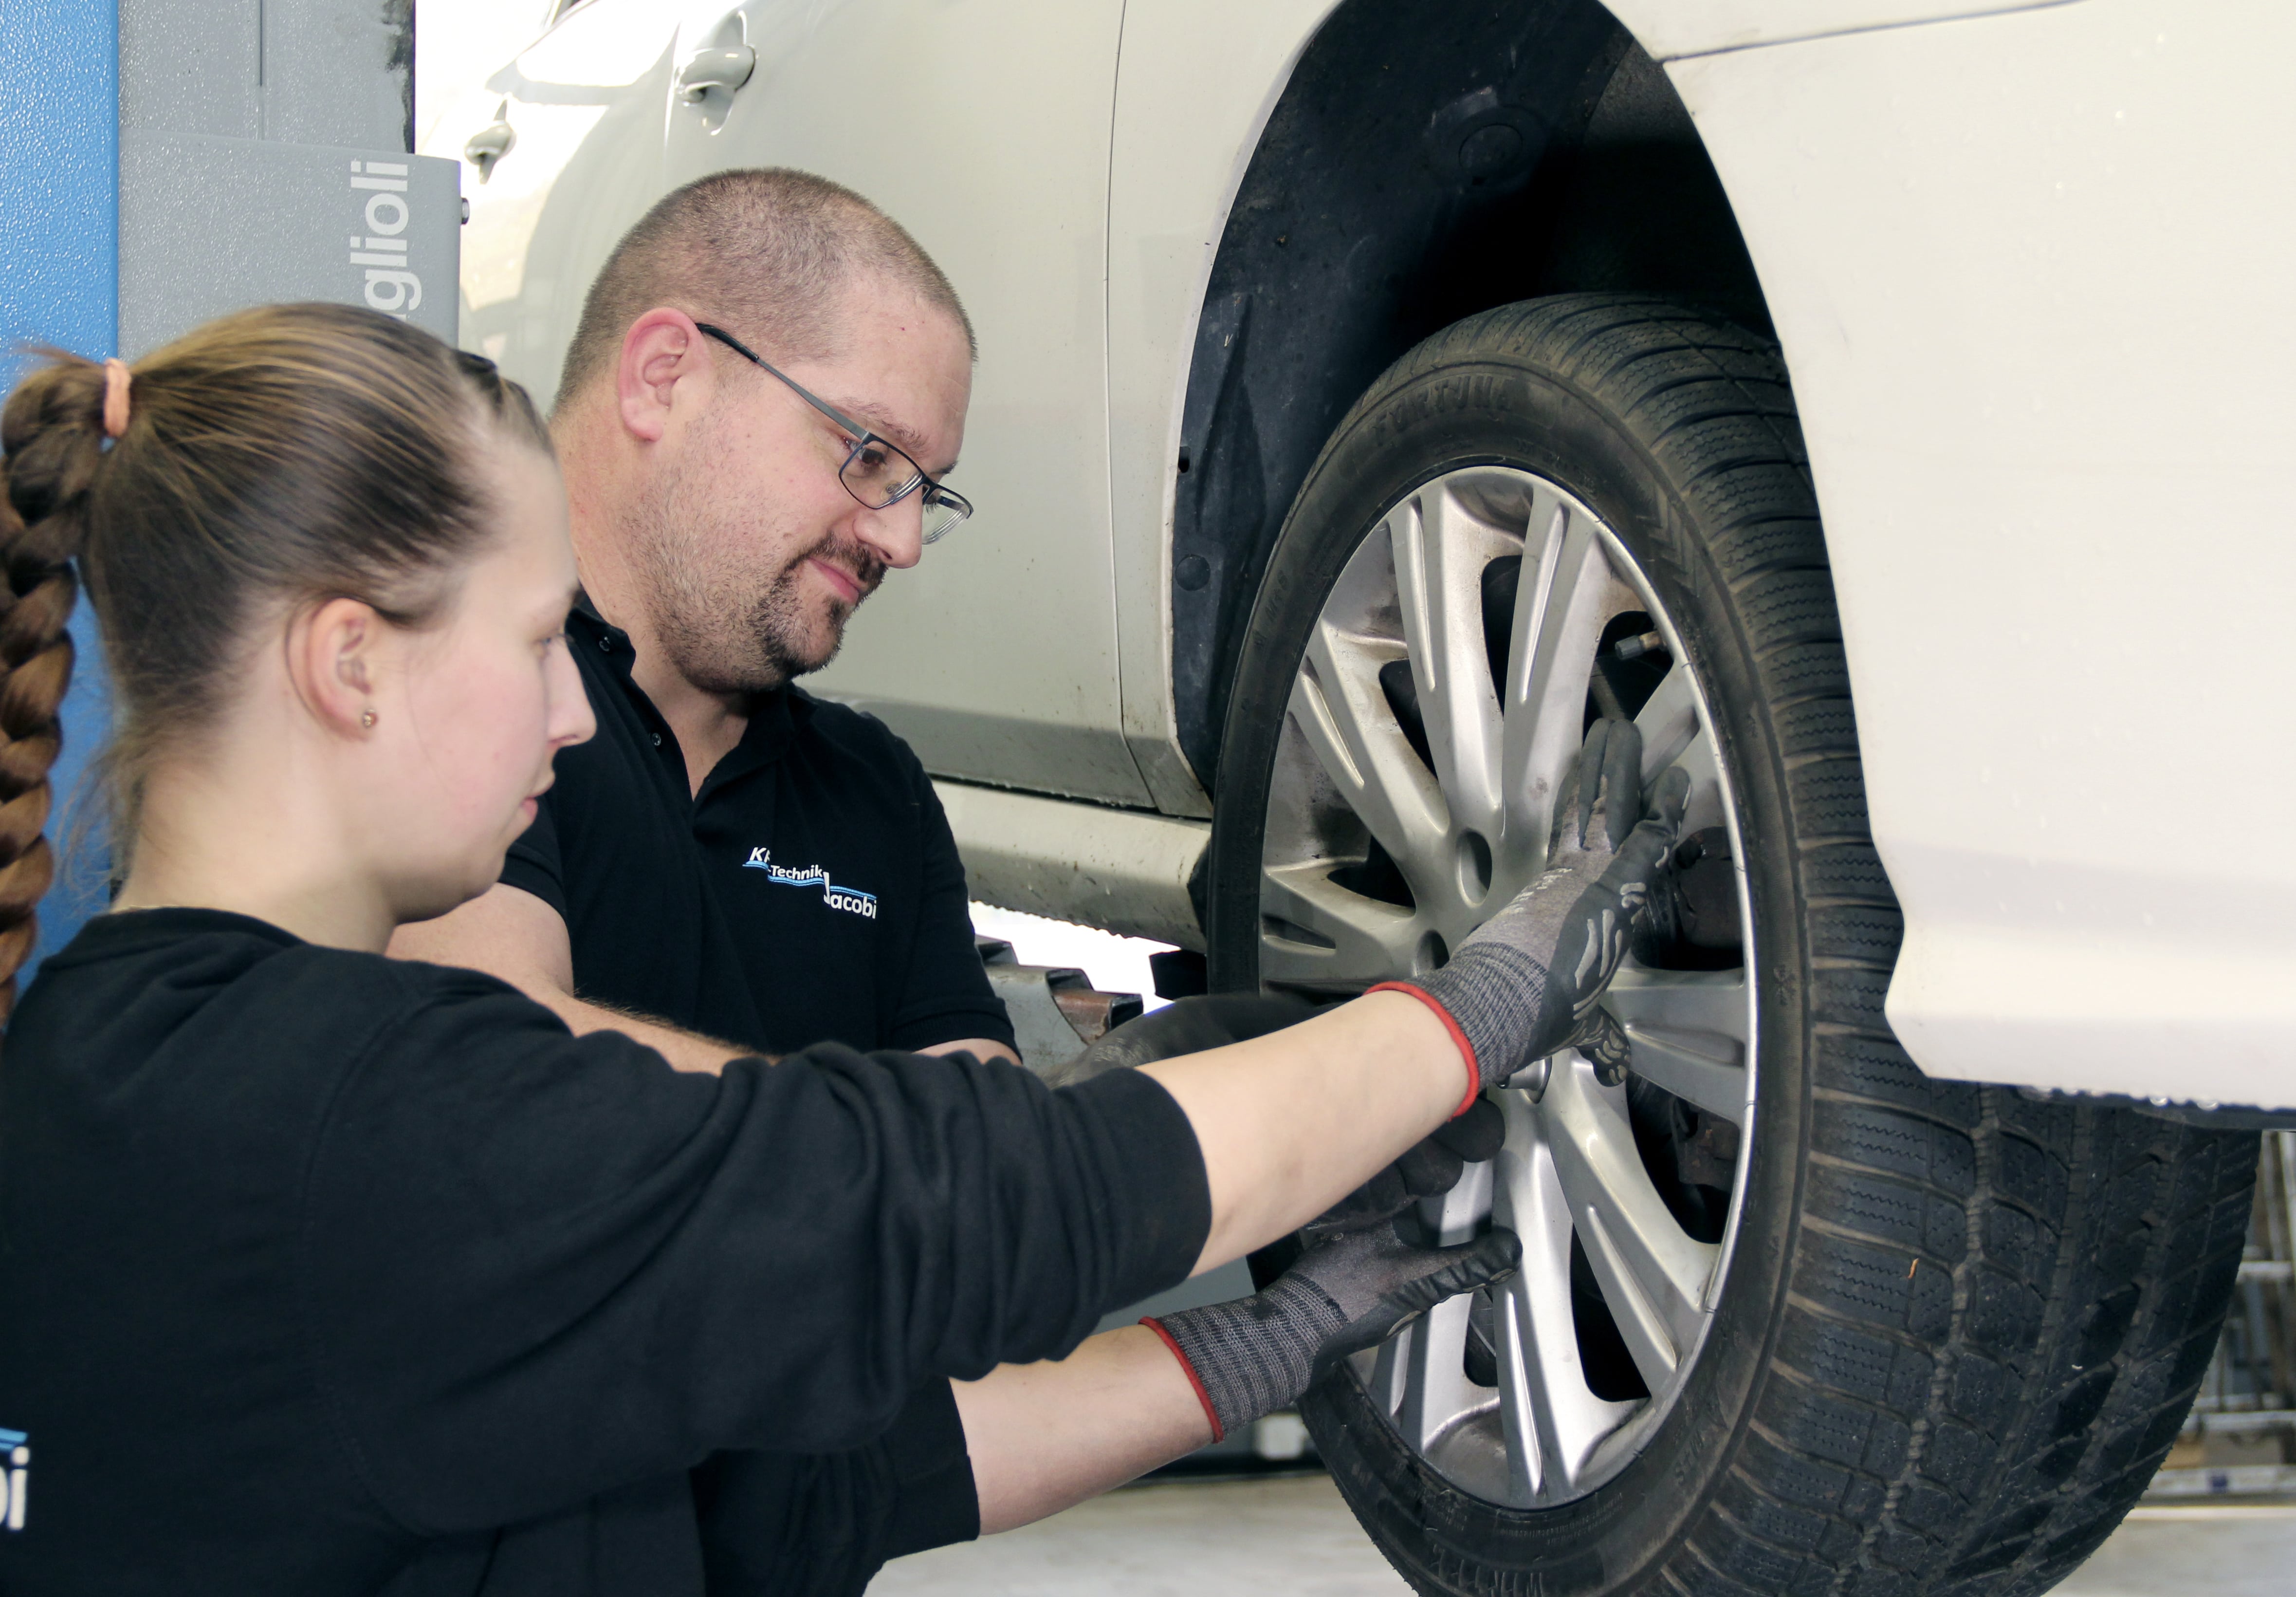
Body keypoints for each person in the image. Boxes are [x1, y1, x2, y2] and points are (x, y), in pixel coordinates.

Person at [0, 306, 1681, 1596]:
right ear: (350, 665)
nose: (575, 702)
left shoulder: (117, 1064)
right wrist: (1467, 1014)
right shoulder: (345, 1124)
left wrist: (1232, 1358)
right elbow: (927, 1203)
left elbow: (782, 1494)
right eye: (532, 642)